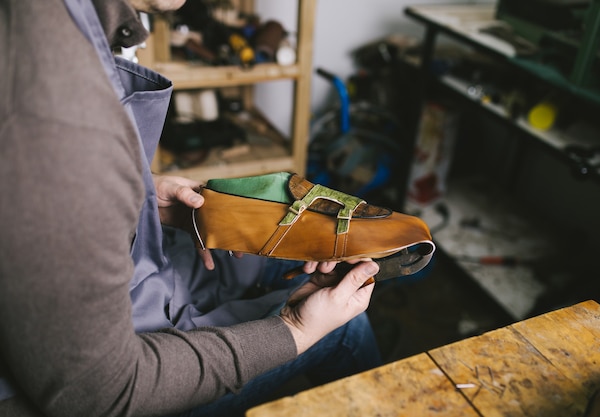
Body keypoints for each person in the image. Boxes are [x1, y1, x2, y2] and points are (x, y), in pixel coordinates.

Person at [0, 1, 382, 416]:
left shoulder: (53, 19)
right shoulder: (54, 114)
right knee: (343, 329)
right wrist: (294, 330)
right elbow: (101, 394)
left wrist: (141, 195)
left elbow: (52, 193)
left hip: (132, 273)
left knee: (292, 260)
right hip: (103, 378)